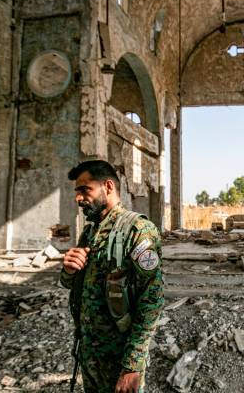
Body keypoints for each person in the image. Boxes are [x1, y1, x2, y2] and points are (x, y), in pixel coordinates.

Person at [60, 160, 163, 393]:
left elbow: (152, 299)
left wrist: (132, 366)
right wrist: (68, 270)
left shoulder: (138, 230)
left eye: (85, 190)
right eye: (77, 191)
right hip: (89, 351)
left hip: (119, 357)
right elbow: (72, 284)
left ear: (107, 187)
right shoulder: (90, 231)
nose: (78, 198)